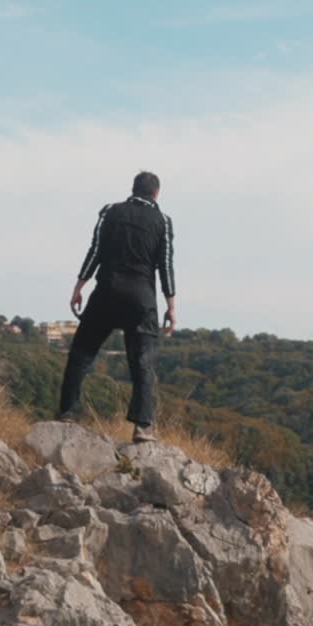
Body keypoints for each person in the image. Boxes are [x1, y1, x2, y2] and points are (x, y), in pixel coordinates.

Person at [57, 171, 176, 442]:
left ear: (133, 189)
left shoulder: (110, 211)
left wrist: (79, 288)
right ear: (156, 193)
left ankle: (67, 412)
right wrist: (171, 305)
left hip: (107, 292)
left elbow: (95, 251)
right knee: (143, 361)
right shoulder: (163, 222)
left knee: (82, 353)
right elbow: (165, 266)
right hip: (141, 298)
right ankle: (143, 425)